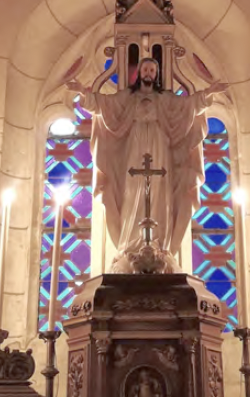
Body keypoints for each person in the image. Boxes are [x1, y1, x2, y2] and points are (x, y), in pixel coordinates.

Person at [68, 58, 227, 273]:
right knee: (133, 193)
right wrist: (82, 92)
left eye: (152, 69)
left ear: (156, 73)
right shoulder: (128, 98)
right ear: (140, 72)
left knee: (161, 195)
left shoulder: (165, 99)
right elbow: (103, 105)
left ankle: (160, 247)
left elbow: (188, 106)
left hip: (160, 148)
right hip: (134, 149)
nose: (149, 73)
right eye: (145, 69)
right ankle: (131, 246)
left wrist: (208, 93)